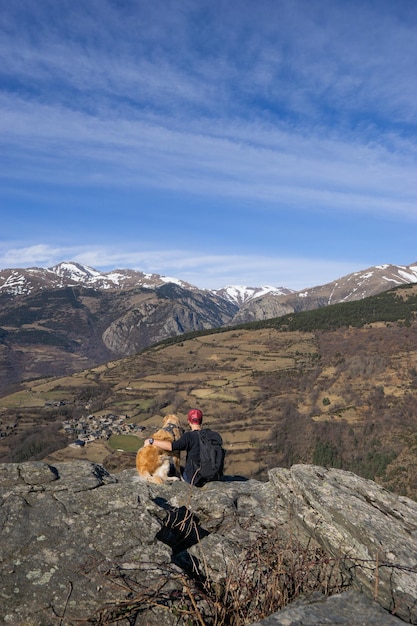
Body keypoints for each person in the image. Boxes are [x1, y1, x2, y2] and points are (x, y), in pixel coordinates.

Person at [144, 408, 222, 486]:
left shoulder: (189, 437)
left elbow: (171, 446)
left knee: (175, 469)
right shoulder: (214, 435)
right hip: (213, 477)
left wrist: (151, 441)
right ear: (201, 421)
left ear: (189, 421)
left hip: (193, 479)